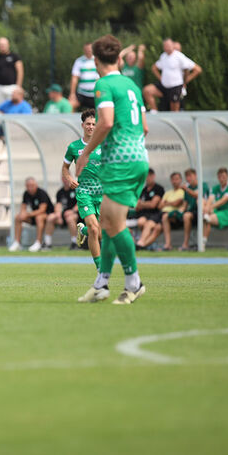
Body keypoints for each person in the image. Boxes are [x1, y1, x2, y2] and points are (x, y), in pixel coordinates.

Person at [76, 34, 149, 305]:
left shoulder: (103, 84)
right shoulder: (131, 84)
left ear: (95, 60)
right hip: (136, 157)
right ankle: (101, 284)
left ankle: (134, 283)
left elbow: (105, 122)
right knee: (106, 223)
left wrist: (85, 153)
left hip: (121, 162)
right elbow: (144, 127)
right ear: (119, 58)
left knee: (115, 225)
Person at [63, 109, 103, 271]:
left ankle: (82, 230)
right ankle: (100, 269)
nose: (91, 127)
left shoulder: (105, 144)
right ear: (83, 125)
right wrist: (69, 178)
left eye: (94, 124)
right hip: (84, 191)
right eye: (88, 124)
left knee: (102, 232)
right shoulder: (74, 147)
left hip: (103, 193)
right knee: (94, 229)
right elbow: (65, 168)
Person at [142, 38, 202, 112]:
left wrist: (185, 82)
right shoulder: (163, 56)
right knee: (147, 90)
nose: (167, 47)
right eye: (165, 46)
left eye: (169, 45)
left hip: (175, 87)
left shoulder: (180, 57)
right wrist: (161, 79)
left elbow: (193, 69)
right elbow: (154, 68)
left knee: (174, 109)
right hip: (164, 86)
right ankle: (154, 111)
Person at [8, 177, 53, 252]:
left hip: (47, 216)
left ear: (36, 185)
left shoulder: (41, 193)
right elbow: (23, 207)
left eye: (32, 185)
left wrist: (28, 214)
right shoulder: (26, 194)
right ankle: (17, 243)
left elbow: (42, 210)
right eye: (28, 186)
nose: (30, 188)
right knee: (18, 217)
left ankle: (38, 242)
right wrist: (22, 214)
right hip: (33, 216)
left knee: (39, 217)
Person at [202, 167, 228, 246]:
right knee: (205, 213)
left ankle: (202, 243)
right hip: (219, 212)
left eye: (223, 177)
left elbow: (223, 200)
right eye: (219, 177)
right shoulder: (215, 188)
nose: (221, 179)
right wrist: (207, 208)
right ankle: (203, 242)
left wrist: (210, 207)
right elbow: (210, 199)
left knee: (207, 218)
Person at [134, 168, 165, 250]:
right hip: (144, 214)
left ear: (153, 176)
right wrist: (144, 204)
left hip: (155, 215)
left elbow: (153, 205)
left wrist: (142, 204)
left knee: (149, 224)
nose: (147, 178)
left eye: (149, 176)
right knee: (141, 222)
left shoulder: (158, 188)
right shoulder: (143, 190)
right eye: (146, 176)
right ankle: (145, 244)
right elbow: (136, 206)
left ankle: (140, 243)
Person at [180, 168, 209, 251]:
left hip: (204, 211)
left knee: (200, 204)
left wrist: (186, 189)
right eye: (187, 176)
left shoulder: (202, 185)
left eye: (190, 176)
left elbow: (198, 195)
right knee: (186, 215)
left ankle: (202, 244)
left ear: (195, 175)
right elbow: (185, 204)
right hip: (193, 213)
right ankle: (185, 243)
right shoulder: (187, 189)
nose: (188, 178)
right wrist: (179, 211)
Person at [0, 37, 23, 106]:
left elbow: (20, 72)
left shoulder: (15, 57)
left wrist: (18, 86)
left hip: (12, 87)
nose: (2, 46)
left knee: (12, 109)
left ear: (8, 45)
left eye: (3, 44)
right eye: (0, 45)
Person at [46, 181, 79, 249]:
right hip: (63, 215)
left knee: (70, 218)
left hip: (75, 214)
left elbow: (80, 203)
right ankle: (47, 243)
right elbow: (58, 204)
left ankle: (74, 242)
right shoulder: (60, 192)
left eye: (66, 178)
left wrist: (72, 211)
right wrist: (58, 214)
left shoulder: (76, 190)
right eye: (63, 178)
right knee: (50, 217)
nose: (65, 180)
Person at [159, 172, 187, 251]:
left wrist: (166, 203)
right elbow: (160, 205)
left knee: (165, 217)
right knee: (156, 226)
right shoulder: (168, 192)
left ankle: (168, 244)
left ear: (181, 180)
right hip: (163, 214)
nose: (175, 181)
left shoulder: (183, 191)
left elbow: (177, 203)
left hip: (176, 215)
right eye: (173, 179)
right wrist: (171, 203)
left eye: (177, 179)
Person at [69, 43, 99, 111]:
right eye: (86, 49)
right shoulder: (79, 61)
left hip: (95, 93)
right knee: (70, 105)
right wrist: (72, 94)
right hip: (82, 93)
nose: (88, 51)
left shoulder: (98, 60)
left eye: (90, 49)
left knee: (103, 107)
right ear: (84, 50)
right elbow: (74, 78)